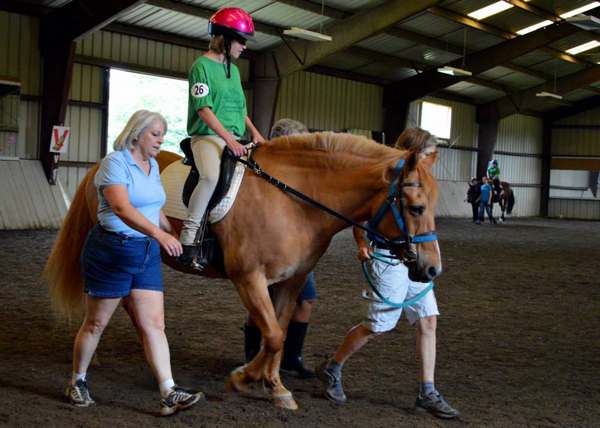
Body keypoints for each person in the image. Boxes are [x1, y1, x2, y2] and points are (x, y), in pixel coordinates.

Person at [64, 110, 204, 417]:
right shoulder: (114, 163)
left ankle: (168, 391)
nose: (161, 140)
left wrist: (173, 235)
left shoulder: (152, 165)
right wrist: (158, 234)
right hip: (111, 251)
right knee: (97, 323)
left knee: (154, 323)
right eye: (155, 134)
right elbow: (121, 207)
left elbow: (154, 207)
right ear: (137, 134)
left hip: (145, 254)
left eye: (162, 135)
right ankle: (78, 381)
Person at [316, 127, 460, 420]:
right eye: (427, 154)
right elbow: (360, 210)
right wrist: (360, 241)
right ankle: (332, 367)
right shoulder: (384, 177)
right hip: (387, 258)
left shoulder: (418, 181)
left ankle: (427, 392)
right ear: (412, 153)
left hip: (412, 258)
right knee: (377, 326)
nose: (431, 159)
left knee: (428, 320)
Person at [179, 7, 265, 265]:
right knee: (211, 176)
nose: (244, 46)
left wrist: (256, 134)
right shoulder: (200, 67)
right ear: (224, 39)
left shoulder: (234, 71)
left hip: (238, 136)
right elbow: (204, 110)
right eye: (240, 40)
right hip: (208, 136)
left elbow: (241, 109)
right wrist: (228, 140)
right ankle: (189, 237)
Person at [243, 118, 317, 378]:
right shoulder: (261, 169)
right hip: (268, 247)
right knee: (258, 303)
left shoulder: (303, 173)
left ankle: (292, 357)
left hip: (297, 248)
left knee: (305, 300)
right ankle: (251, 357)